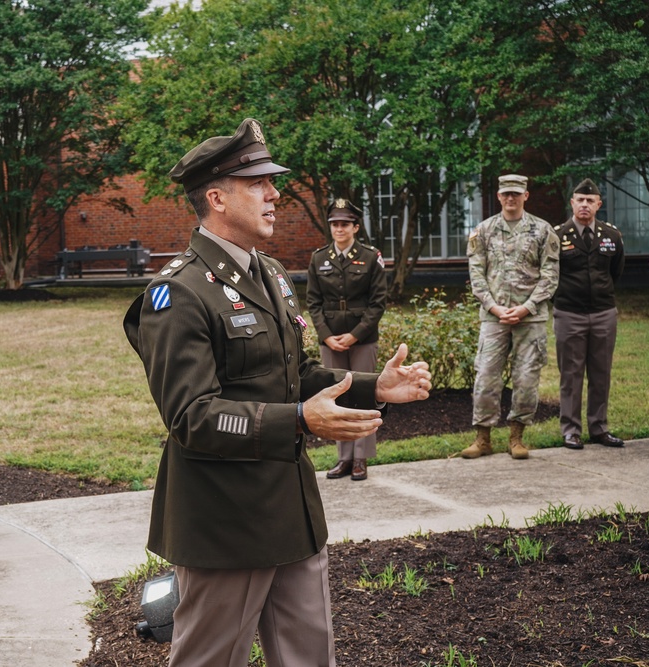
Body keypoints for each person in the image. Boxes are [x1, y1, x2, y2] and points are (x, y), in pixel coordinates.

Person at [123, 118, 432, 667]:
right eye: (258, 184)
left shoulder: (269, 272)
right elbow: (191, 417)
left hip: (291, 511)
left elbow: (297, 373)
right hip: (225, 520)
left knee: (311, 656)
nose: (274, 194)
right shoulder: (179, 292)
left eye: (272, 181)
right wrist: (298, 419)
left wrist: (372, 386)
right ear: (216, 198)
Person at [462, 174, 559, 461]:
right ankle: (483, 438)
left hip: (530, 319)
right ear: (499, 196)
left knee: (526, 379)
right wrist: (494, 307)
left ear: (526, 195)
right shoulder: (484, 230)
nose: (511, 198)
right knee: (486, 378)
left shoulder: (542, 230)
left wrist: (526, 308)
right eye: (506, 194)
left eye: (516, 193)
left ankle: (517, 437)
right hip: (494, 318)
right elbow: (476, 273)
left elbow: (550, 276)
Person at [307, 199, 387, 481]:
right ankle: (343, 458)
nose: (339, 229)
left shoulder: (369, 256)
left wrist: (355, 335)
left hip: (362, 338)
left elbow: (378, 303)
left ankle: (361, 458)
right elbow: (313, 303)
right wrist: (327, 337)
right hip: (330, 340)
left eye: (344, 224)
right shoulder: (319, 258)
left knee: (364, 395)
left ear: (355, 227)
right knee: (337, 395)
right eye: (334, 224)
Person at [552, 179, 625, 449]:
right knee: (570, 374)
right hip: (569, 313)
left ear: (598, 205)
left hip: (604, 313)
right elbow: (550, 275)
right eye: (580, 199)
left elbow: (615, 271)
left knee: (601, 372)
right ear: (572, 203)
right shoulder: (557, 236)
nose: (584, 204)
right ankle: (570, 430)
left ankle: (599, 428)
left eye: (590, 200)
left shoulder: (611, 235)